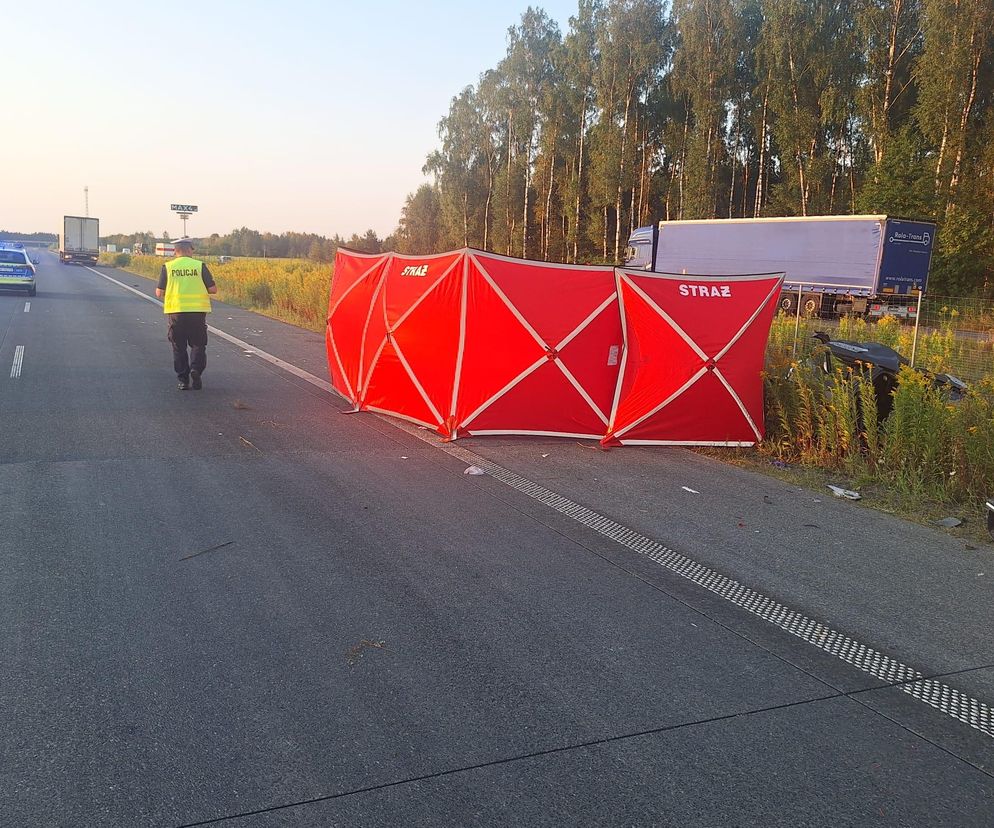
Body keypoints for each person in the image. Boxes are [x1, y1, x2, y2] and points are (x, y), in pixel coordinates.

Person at [155, 238, 218, 390]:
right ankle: (196, 369)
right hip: (197, 313)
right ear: (190, 250)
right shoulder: (199, 266)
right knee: (198, 345)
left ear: (175, 251)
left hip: (176, 313)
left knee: (179, 347)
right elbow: (213, 289)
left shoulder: (168, 267)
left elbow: (159, 292)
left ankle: (183, 380)